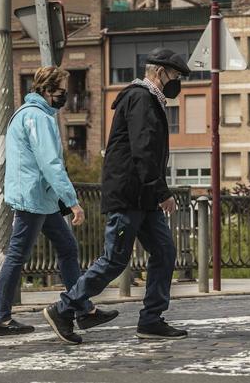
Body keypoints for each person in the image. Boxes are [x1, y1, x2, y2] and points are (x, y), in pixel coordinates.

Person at [43, 48, 191, 344]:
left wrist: (154, 191)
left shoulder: (150, 99)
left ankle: (151, 320)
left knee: (164, 252)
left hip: (143, 198)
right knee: (114, 260)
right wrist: (162, 191)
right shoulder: (140, 98)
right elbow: (143, 149)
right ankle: (64, 309)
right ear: (159, 72)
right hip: (128, 195)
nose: (177, 83)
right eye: (174, 76)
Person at [0, 66, 118, 336]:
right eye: (61, 90)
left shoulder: (29, 114)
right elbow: (50, 163)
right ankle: (0, 318)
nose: (65, 95)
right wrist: (72, 201)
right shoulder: (37, 117)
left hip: (39, 198)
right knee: (17, 255)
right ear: (47, 91)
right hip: (32, 198)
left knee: (67, 248)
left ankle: (83, 310)